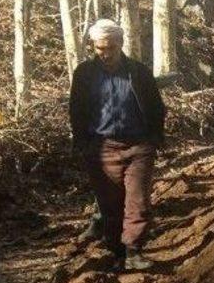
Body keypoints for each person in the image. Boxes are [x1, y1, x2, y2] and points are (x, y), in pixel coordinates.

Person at [69, 19, 166, 270]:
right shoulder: (84, 74)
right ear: (93, 47)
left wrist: (154, 139)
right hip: (102, 148)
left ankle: (134, 251)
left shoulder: (139, 72)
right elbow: (76, 111)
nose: (105, 54)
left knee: (138, 201)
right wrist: (84, 144)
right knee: (110, 205)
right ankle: (116, 252)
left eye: (111, 48)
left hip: (138, 146)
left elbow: (156, 107)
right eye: (100, 49)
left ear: (121, 44)